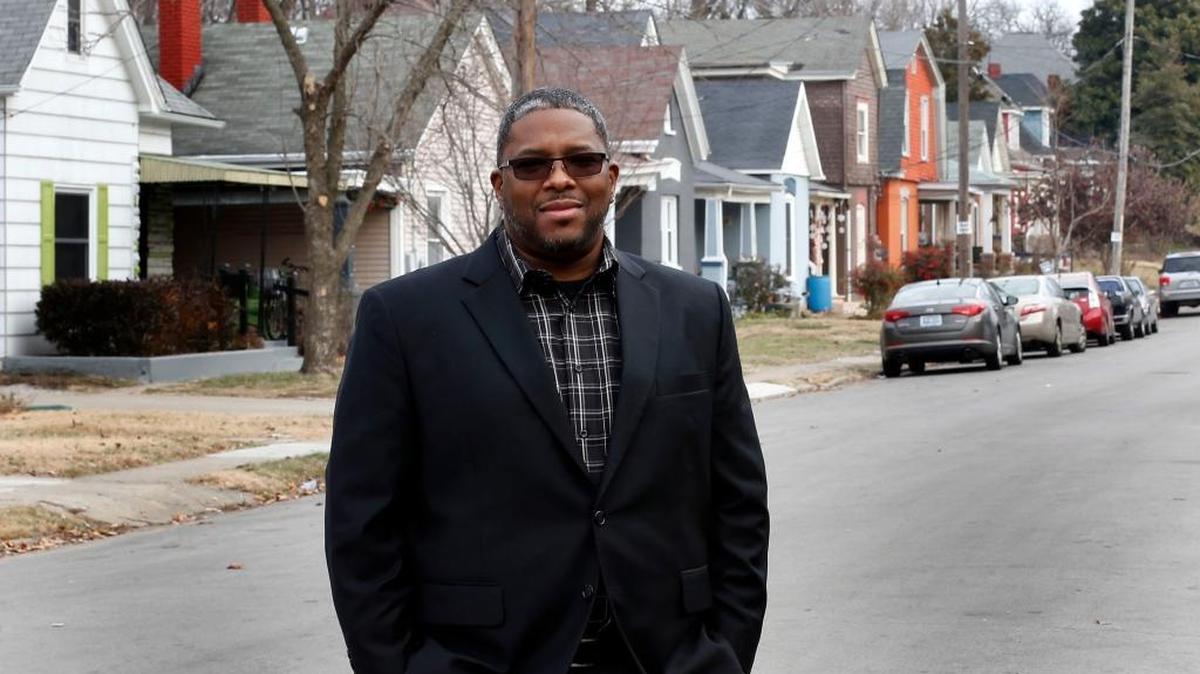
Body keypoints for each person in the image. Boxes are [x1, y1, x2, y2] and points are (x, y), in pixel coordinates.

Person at [326, 87, 769, 673]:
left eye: (581, 161)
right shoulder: (405, 318)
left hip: (669, 659)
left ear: (610, 177)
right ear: (498, 183)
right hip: (481, 660)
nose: (559, 179)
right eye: (533, 165)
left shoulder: (695, 309)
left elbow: (738, 501)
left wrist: (726, 653)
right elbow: (362, 521)